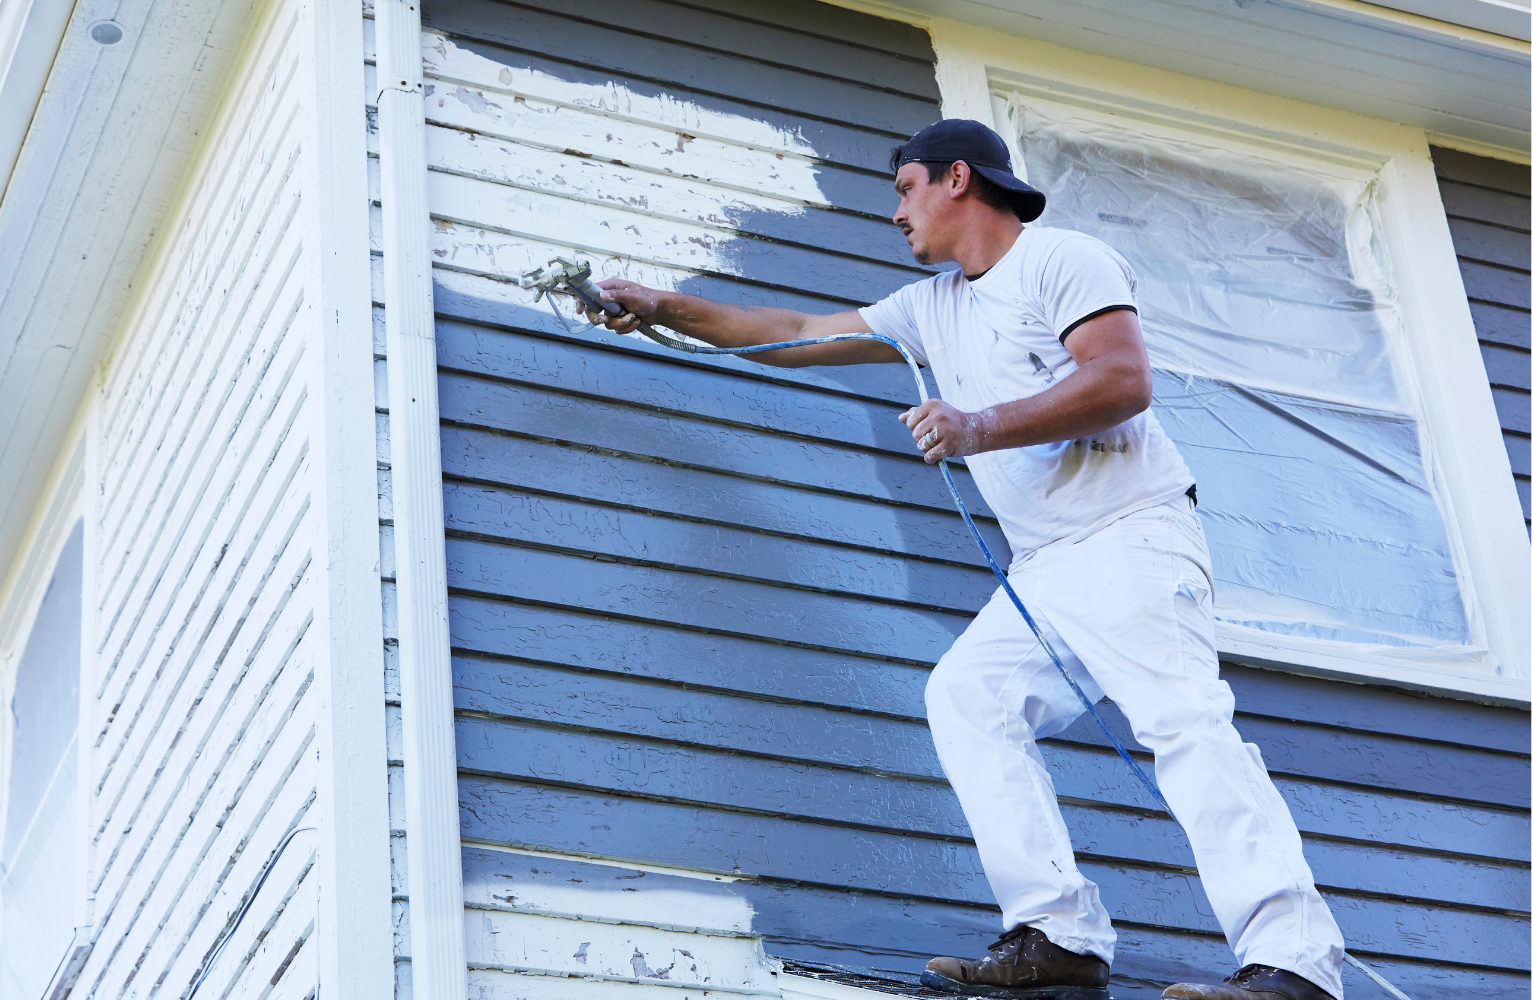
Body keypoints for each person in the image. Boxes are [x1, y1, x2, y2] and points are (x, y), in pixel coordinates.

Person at [577, 119, 1346, 1000]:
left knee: (1183, 724)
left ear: (954, 179)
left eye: (903, 190)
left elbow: (1122, 380)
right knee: (967, 696)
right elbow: (786, 325)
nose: (895, 214)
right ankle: (1058, 936)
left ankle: (1295, 963)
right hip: (1047, 565)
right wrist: (658, 305)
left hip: (1133, 532)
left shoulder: (1061, 259)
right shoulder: (928, 308)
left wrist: (977, 424)